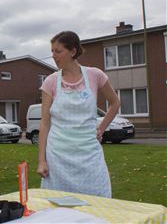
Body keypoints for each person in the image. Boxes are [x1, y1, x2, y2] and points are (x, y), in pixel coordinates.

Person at [37, 31, 120, 198]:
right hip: (58, 157)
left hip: (89, 155)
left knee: (97, 202)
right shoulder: (50, 82)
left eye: (58, 51)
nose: (53, 56)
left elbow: (115, 103)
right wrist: (42, 161)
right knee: (58, 206)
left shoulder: (95, 75)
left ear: (73, 51)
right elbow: (45, 123)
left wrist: (101, 128)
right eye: (52, 51)